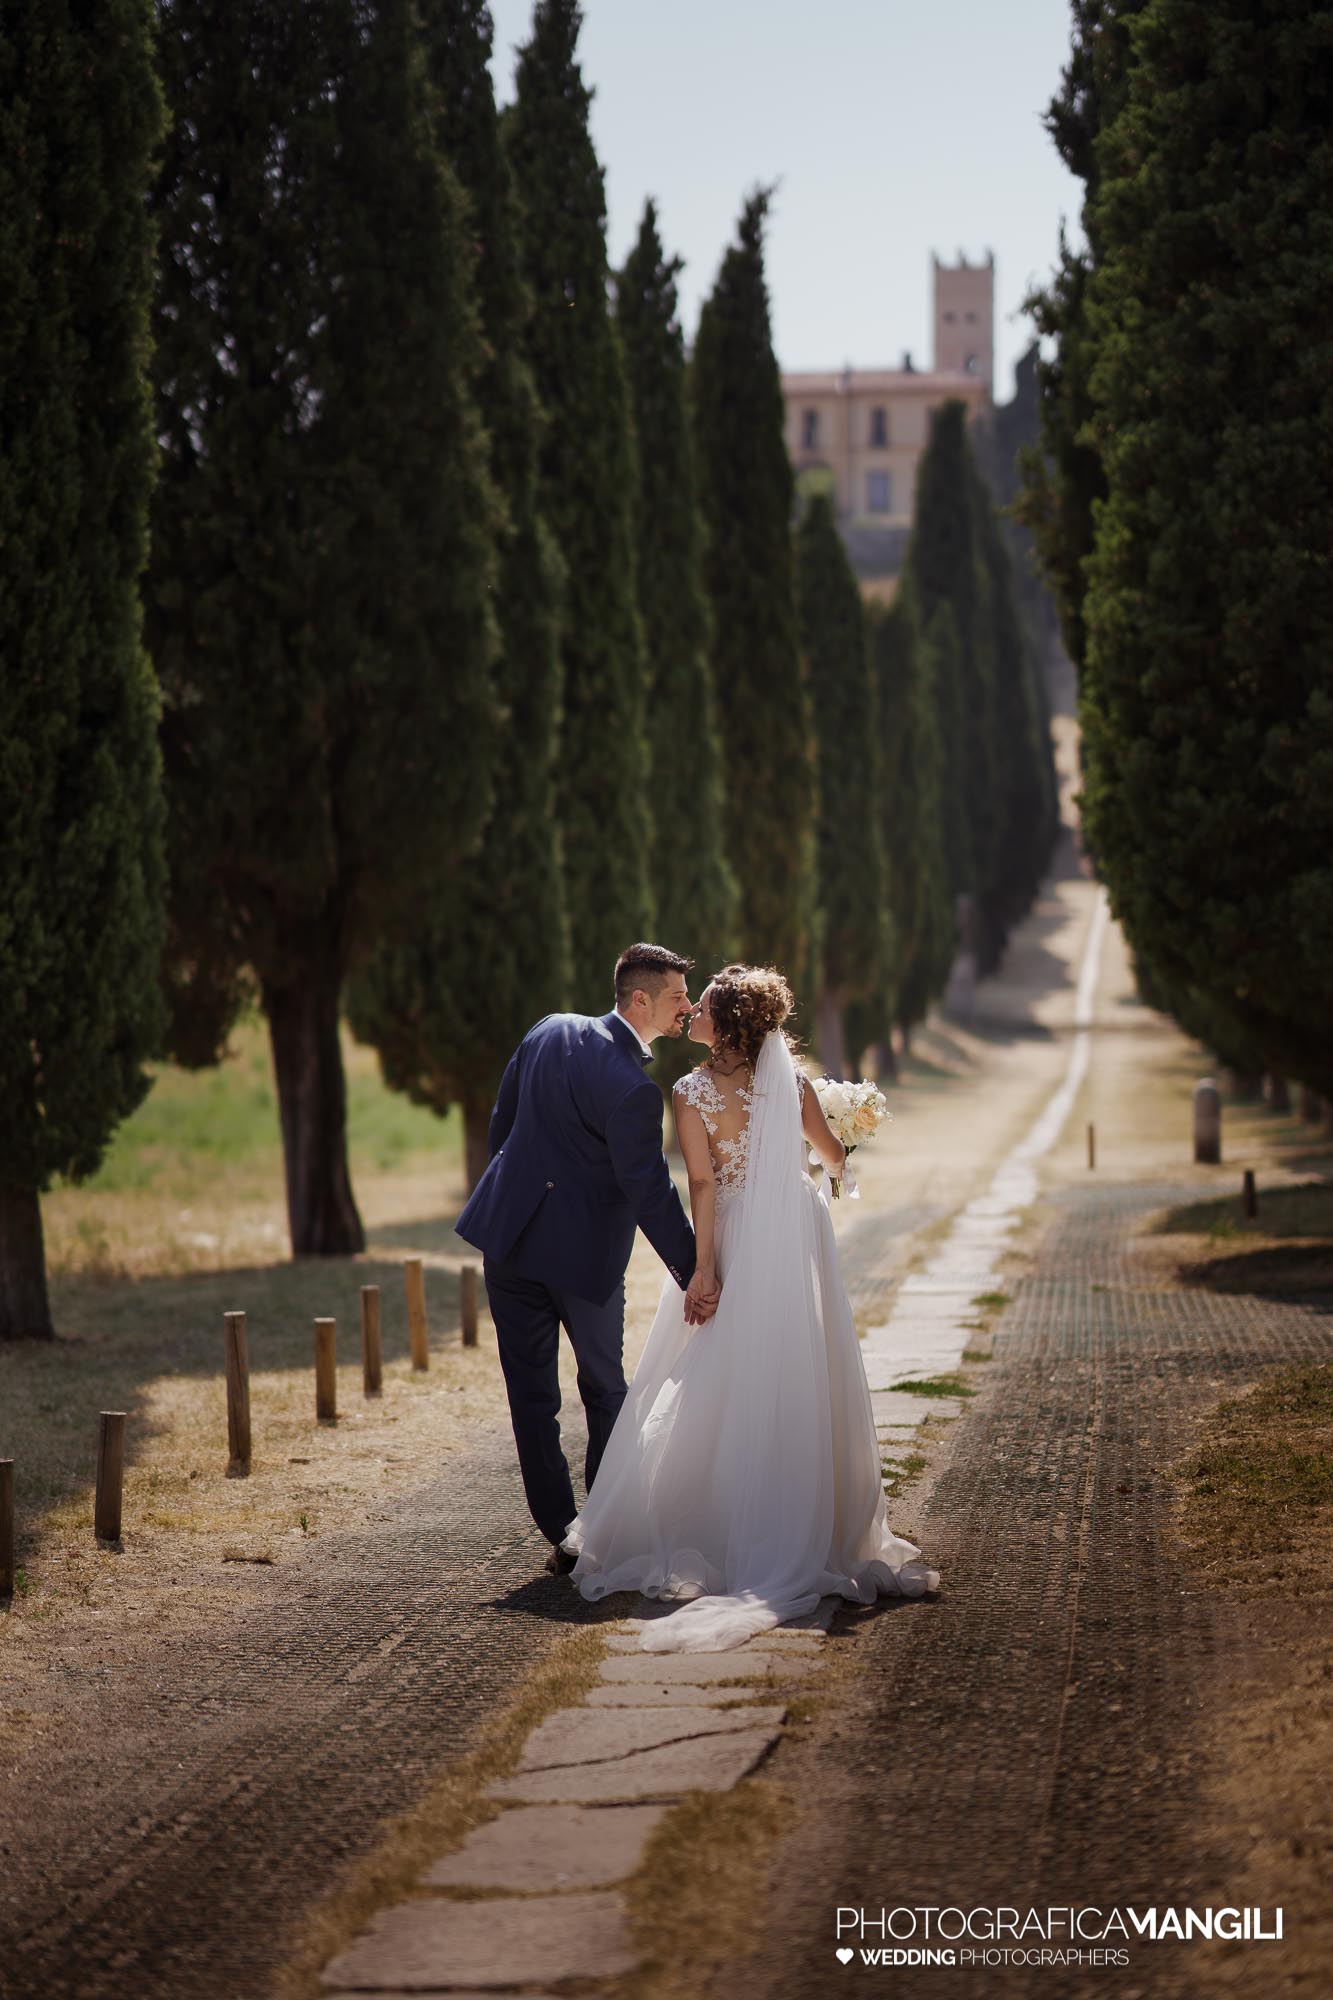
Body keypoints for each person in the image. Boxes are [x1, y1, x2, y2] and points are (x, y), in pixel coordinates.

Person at [561, 963, 941, 1650]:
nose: (691, 1013)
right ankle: (794, 1521)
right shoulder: (791, 1085)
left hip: (734, 1231)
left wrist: (702, 1271)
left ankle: (713, 1521)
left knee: (711, 1365)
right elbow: (830, 1157)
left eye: (701, 1004)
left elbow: (702, 1186)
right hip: (794, 1236)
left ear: (727, 1023)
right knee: (795, 1359)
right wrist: (839, 1137)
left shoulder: (689, 1091)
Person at [456, 944, 720, 1575]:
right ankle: (593, 1533)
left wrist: (518, 1190)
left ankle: (561, 1531)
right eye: (679, 995)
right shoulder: (635, 1089)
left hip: (509, 1241)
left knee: (531, 1397)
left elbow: (503, 1125)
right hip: (583, 1265)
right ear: (640, 1000)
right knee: (605, 1390)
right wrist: (698, 1272)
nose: (687, 1005)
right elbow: (650, 1192)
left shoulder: (549, 1029)